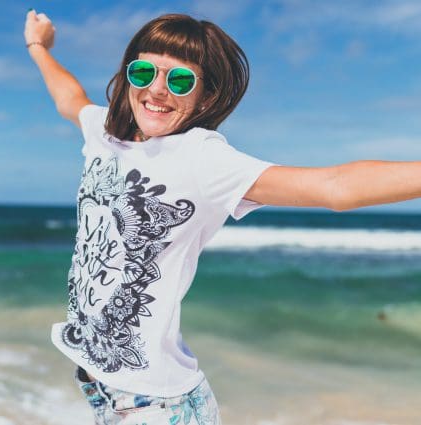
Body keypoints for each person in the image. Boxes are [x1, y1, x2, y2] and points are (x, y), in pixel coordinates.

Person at [24, 10, 421, 424]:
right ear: (128, 77)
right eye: (144, 72)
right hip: (106, 393)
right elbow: (68, 98)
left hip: (156, 407)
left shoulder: (201, 158)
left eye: (179, 80)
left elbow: (336, 186)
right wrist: (38, 46)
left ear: (206, 98)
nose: (157, 90)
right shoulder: (105, 133)